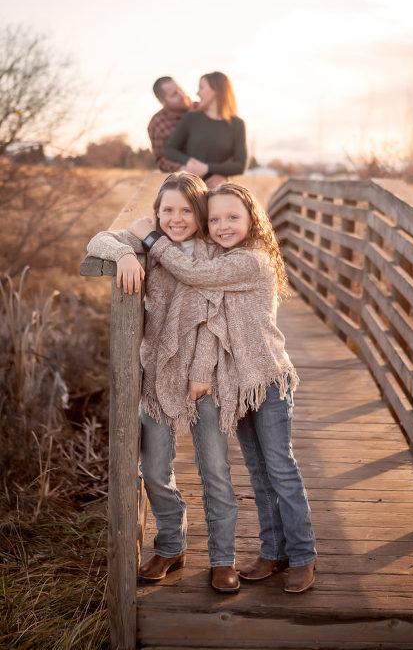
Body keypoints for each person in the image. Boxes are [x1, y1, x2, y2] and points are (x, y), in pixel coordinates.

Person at [128, 183, 317, 593]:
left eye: (233, 217)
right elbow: (191, 274)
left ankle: (303, 556)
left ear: (253, 220)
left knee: (280, 470)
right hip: (236, 384)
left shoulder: (249, 260)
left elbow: (194, 272)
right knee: (259, 473)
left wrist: (153, 238)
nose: (222, 225)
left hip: (264, 379)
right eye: (214, 219)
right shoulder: (223, 257)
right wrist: (129, 248)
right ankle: (272, 553)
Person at [86, 172, 241, 593]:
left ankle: (223, 559)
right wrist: (124, 255)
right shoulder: (149, 244)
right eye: (167, 209)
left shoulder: (214, 252)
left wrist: (200, 374)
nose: (176, 218)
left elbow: (215, 320)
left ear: (202, 213)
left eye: (186, 210)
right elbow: (97, 239)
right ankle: (170, 545)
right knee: (153, 470)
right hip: (157, 374)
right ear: (156, 213)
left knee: (215, 472)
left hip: (204, 380)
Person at [164, 71, 247, 189]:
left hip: (219, 190)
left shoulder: (237, 124)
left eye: (201, 88)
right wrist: (189, 161)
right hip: (190, 189)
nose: (197, 93)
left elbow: (240, 165)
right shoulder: (191, 118)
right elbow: (169, 149)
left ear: (216, 91)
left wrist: (209, 169)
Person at [147, 77, 193, 173]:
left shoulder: (202, 108)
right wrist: (185, 170)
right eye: (174, 95)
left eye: (180, 89)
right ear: (162, 101)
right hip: (188, 177)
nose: (182, 95)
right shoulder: (157, 123)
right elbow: (162, 159)